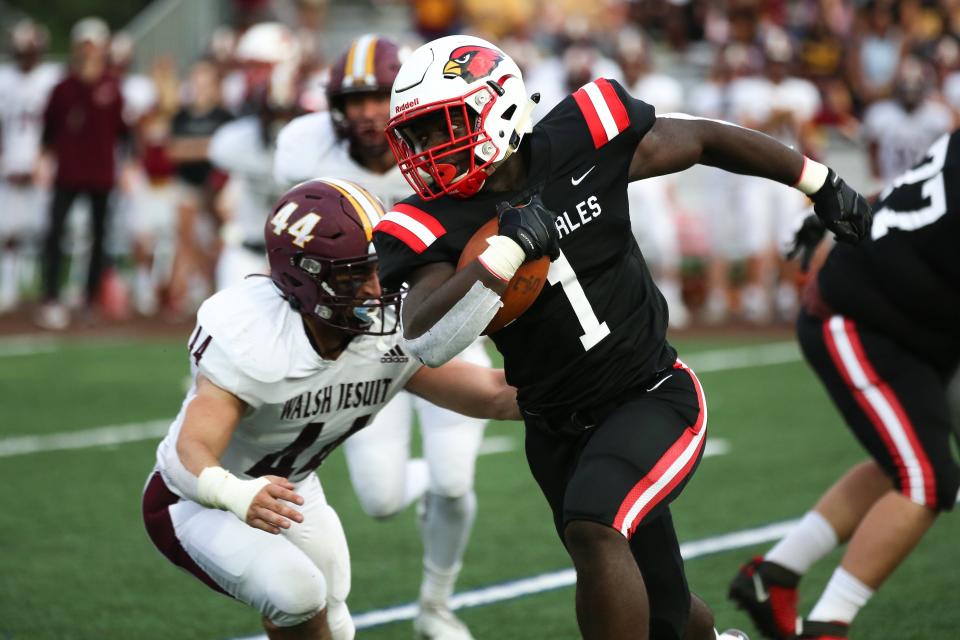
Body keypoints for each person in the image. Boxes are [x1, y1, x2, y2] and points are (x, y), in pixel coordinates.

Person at [372, 35, 871, 640]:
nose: (427, 151)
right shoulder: (424, 223)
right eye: (417, 136)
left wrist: (818, 182)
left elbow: (705, 138)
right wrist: (504, 253)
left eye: (439, 127)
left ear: (495, 105)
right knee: (669, 614)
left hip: (651, 394)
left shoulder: (584, 133)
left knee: (595, 524)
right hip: (554, 429)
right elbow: (426, 339)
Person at [141, 178, 520, 640]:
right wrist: (235, 495)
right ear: (304, 279)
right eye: (354, 276)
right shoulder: (255, 338)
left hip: (294, 488)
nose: (375, 289)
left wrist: (594, 389)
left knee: (335, 614)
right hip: (198, 500)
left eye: (377, 267)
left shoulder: (388, 333)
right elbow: (191, 448)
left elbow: (491, 393)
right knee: (297, 595)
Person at [275, 35, 489, 640]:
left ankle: (436, 606)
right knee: (381, 500)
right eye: (355, 99)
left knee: (454, 480)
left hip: (447, 324)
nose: (368, 111)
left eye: (378, 96)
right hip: (371, 340)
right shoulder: (304, 149)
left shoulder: (445, 136)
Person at [728, 130, 960, 640]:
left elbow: (911, 191)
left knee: (904, 459)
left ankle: (775, 575)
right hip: (861, 318)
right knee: (924, 479)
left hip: (907, 319)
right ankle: (828, 626)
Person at [36, 17, 125, 330]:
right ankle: (51, 297)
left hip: (101, 173)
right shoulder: (62, 88)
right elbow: (48, 132)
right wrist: (43, 162)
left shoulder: (112, 87)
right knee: (55, 234)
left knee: (99, 236)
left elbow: (121, 132)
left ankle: (89, 298)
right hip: (69, 172)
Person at [208, 22, 303, 291]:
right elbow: (216, 189)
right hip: (247, 246)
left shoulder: (314, 126)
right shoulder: (235, 136)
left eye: (259, 67)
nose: (250, 77)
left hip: (301, 252)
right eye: (247, 67)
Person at [0, 20, 60, 313]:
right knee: (7, 231)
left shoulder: (52, 78)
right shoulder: (3, 79)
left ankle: (43, 288)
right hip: (9, 162)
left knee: (47, 230)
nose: (25, 55)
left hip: (43, 162)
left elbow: (59, 125)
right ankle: (8, 286)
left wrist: (45, 160)